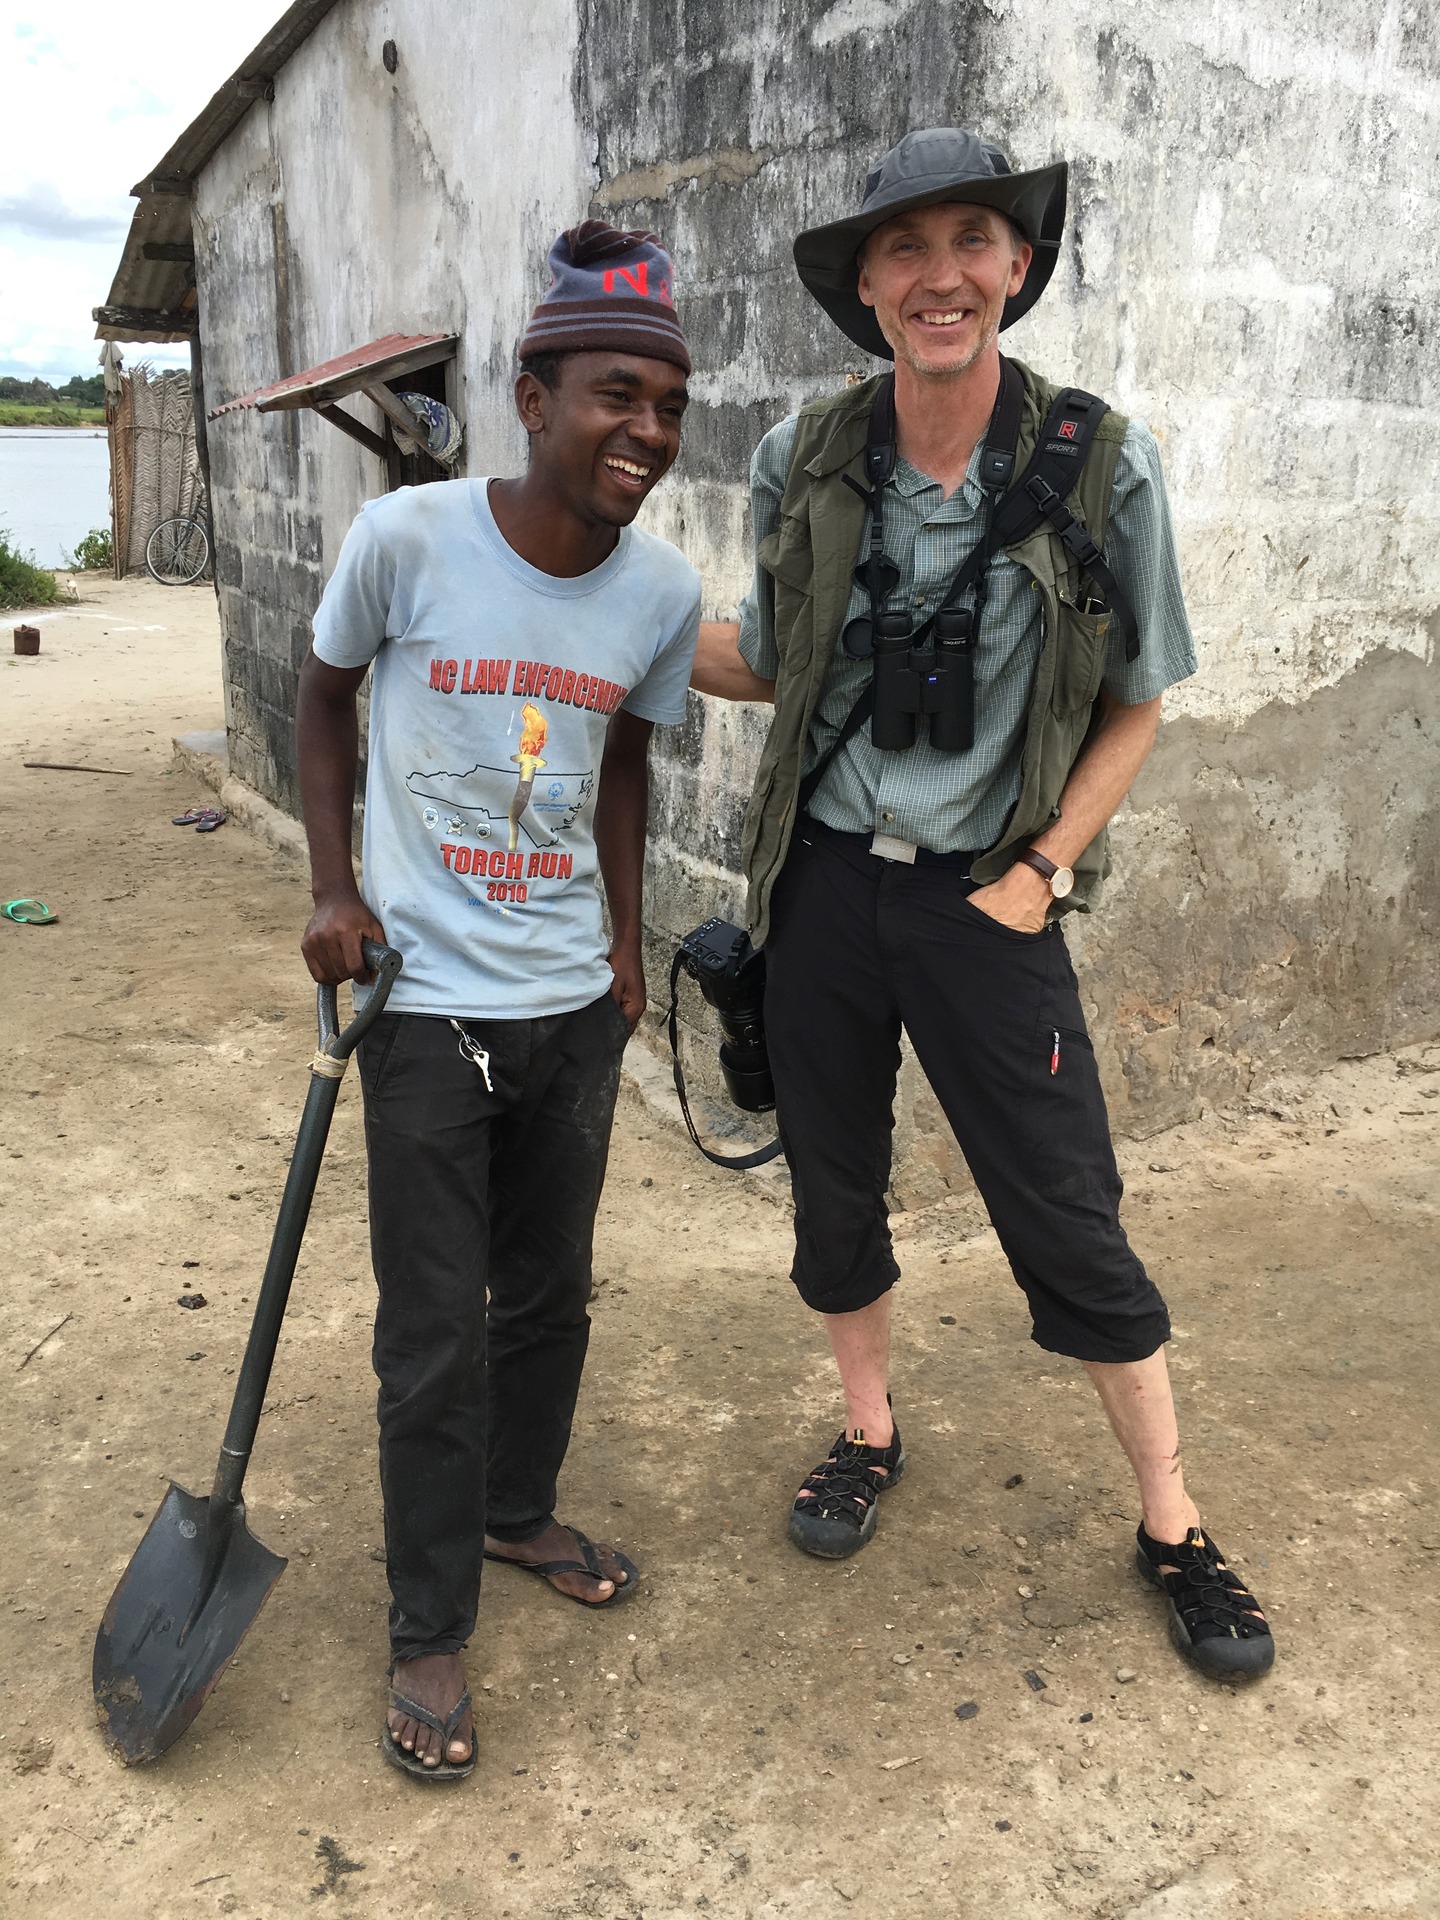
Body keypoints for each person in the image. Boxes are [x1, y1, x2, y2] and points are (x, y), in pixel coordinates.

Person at [691, 129, 1273, 1681]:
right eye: (904, 249)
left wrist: (1043, 867)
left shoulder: (1098, 455)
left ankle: (1172, 1520)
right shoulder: (803, 456)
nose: (938, 273)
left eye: (971, 240)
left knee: (1066, 1211)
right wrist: (571, 603)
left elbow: (1140, 698)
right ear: (866, 288)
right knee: (831, 1183)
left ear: (1015, 267)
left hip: (987, 898)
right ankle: (867, 1432)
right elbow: (767, 655)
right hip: (822, 884)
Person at [296, 221, 701, 1777]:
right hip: (420, 1005)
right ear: (531, 397)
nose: (646, 433)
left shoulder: (657, 593)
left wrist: (623, 939)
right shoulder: (405, 542)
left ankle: (516, 1509)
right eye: (615, 394)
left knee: (549, 1293)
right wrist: (332, 889)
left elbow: (626, 767)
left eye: (668, 407)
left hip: (567, 1011)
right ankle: (427, 1626)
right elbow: (324, 698)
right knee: (431, 1331)